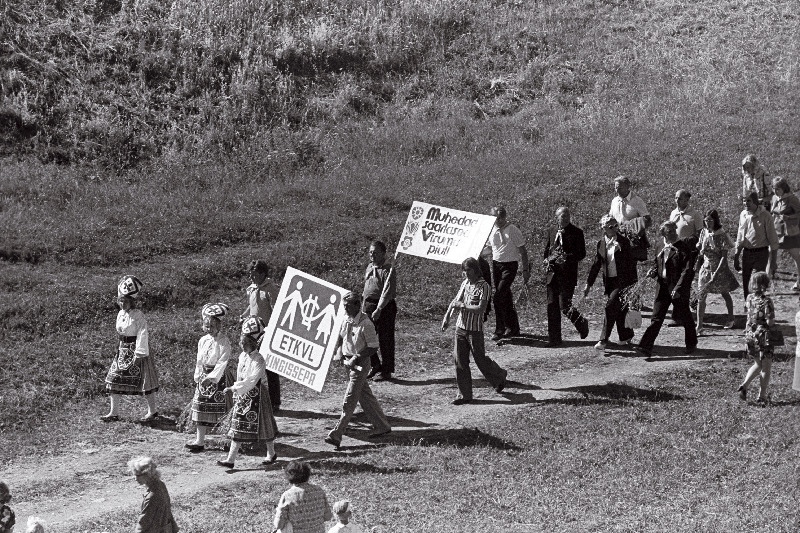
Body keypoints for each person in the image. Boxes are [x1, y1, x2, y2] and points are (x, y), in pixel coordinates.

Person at [324, 292, 392, 448]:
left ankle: (336, 434)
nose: (345, 309)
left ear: (357, 305)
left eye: (348, 306)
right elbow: (341, 337)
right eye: (344, 306)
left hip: (360, 365)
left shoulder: (366, 324)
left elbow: (373, 347)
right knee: (365, 396)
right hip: (349, 364)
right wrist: (339, 351)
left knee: (350, 400)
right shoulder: (346, 319)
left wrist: (356, 357)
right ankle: (382, 425)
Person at [441, 258, 508, 405]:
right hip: (460, 328)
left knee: (480, 359)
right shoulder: (465, 284)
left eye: (469, 271)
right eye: (464, 271)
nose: (466, 274)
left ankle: (499, 375)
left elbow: (480, 309)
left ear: (476, 270)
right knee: (460, 361)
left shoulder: (484, 287)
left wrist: (463, 306)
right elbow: (455, 301)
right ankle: (465, 395)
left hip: (475, 330)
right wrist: (447, 318)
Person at [217, 316, 278, 468]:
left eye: (246, 344)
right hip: (244, 394)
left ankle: (271, 453)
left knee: (264, 426)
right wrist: (237, 391)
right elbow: (240, 375)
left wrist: (234, 388)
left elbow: (252, 379)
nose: (243, 346)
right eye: (241, 343)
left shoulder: (259, 360)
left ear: (253, 344)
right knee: (238, 426)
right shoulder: (242, 356)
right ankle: (230, 459)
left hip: (257, 395)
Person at [635, 221, 699, 357]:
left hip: (677, 288)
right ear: (663, 233)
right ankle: (645, 346)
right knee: (656, 317)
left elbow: (687, 270)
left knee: (685, 316)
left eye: (674, 230)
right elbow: (657, 262)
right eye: (669, 231)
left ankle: (691, 343)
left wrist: (679, 287)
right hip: (662, 286)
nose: (673, 233)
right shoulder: (660, 245)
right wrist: (653, 271)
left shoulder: (683, 248)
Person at [102, 275, 159, 423]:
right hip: (123, 351)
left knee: (145, 381)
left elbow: (142, 332)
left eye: (126, 301)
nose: (123, 304)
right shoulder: (120, 314)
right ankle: (113, 412)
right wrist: (121, 348)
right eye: (121, 301)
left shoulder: (138, 315)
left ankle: (152, 411)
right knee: (113, 378)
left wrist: (139, 353)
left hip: (137, 351)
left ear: (132, 301)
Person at [584, 215, 637, 353]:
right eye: (610, 226)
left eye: (615, 226)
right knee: (619, 309)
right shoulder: (601, 243)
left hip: (623, 281)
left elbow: (631, 264)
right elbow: (596, 265)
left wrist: (635, 285)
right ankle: (626, 335)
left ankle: (603, 339)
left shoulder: (624, 242)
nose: (614, 229)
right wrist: (588, 284)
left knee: (610, 307)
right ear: (604, 228)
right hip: (610, 281)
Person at [185, 303, 234, 452]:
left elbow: (223, 361)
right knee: (200, 406)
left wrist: (212, 377)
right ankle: (200, 441)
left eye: (212, 326)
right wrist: (198, 375)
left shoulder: (224, 341)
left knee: (222, 409)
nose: (209, 329)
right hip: (204, 377)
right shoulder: (203, 340)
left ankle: (227, 440)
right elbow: (199, 360)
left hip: (218, 378)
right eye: (207, 326)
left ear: (219, 326)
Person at [542, 206, 589, 347]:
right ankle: (554, 339)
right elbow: (547, 250)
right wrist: (546, 261)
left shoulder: (577, 233)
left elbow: (582, 254)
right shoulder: (551, 231)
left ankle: (581, 322)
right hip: (552, 275)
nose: (565, 218)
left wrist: (567, 259)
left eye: (567, 215)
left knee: (564, 305)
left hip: (567, 275)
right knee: (551, 306)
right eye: (562, 216)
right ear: (557, 217)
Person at [482, 206, 530, 340]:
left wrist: (525, 270)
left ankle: (500, 328)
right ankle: (514, 328)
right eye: (495, 218)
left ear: (504, 217)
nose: (498, 221)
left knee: (498, 296)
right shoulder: (492, 230)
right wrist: (476, 253)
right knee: (506, 296)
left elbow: (523, 251)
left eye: (500, 218)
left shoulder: (512, 230)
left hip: (510, 266)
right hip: (497, 265)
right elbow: (490, 249)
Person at [241, 259, 282, 411]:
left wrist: (271, 329)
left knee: (271, 368)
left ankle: (274, 402)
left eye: (254, 275)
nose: (251, 278)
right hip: (252, 335)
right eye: (250, 275)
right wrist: (244, 315)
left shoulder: (270, 289)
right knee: (252, 366)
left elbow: (276, 310)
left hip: (267, 333)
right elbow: (251, 306)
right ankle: (254, 397)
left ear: (262, 274)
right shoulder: (251, 289)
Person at [694, 210, 739, 335]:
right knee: (701, 296)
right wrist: (698, 261)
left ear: (715, 221)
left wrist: (716, 273)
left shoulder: (722, 235)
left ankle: (731, 318)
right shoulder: (704, 232)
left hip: (719, 268)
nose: (708, 223)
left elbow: (724, 257)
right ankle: (699, 325)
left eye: (710, 220)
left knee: (725, 292)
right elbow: (701, 250)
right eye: (706, 220)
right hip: (706, 268)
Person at [362, 240, 398, 382]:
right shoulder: (370, 267)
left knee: (385, 339)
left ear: (383, 253)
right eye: (370, 252)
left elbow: (388, 292)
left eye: (375, 252)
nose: (372, 255)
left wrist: (379, 309)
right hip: (368, 305)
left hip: (384, 306)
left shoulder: (388, 270)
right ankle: (375, 364)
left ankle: (387, 370)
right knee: (365, 336)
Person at [737, 272, 776, 404]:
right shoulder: (767, 301)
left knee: (757, 363)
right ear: (766, 284)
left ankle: (745, 386)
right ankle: (762, 396)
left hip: (750, 335)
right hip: (763, 337)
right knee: (766, 367)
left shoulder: (749, 298)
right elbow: (770, 322)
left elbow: (747, 314)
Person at [734, 192, 779, 301]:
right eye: (744, 200)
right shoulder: (743, 215)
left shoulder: (765, 216)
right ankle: (748, 305)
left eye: (748, 200)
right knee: (746, 281)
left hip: (761, 253)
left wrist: (773, 261)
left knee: (756, 281)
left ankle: (758, 306)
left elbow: (773, 240)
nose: (745, 203)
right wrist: (736, 256)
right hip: (747, 253)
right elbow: (740, 236)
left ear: (755, 201)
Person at [274, 460, 333, 533]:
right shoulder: (319, 490)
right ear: (308, 474)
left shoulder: (287, 495)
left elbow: (278, 525)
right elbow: (328, 516)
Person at [128, 456, 179, 533]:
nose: (135, 478)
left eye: (138, 475)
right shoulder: (161, 485)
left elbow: (144, 522)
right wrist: (174, 527)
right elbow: (168, 510)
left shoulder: (151, 496)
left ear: (147, 474)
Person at [608, 175, 652, 261]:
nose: (617, 191)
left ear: (628, 186)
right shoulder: (614, 201)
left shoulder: (637, 201)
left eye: (620, 188)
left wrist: (632, 226)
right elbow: (611, 217)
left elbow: (647, 220)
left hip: (631, 241)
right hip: (617, 239)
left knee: (630, 267)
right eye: (615, 188)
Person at [770, 176, 800, 291]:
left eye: (778, 189)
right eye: (774, 188)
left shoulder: (792, 199)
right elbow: (773, 213)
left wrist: (789, 217)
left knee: (796, 257)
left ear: (784, 188)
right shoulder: (774, 198)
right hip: (776, 231)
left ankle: (799, 281)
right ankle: (767, 279)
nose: (775, 191)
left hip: (790, 233)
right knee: (770, 253)